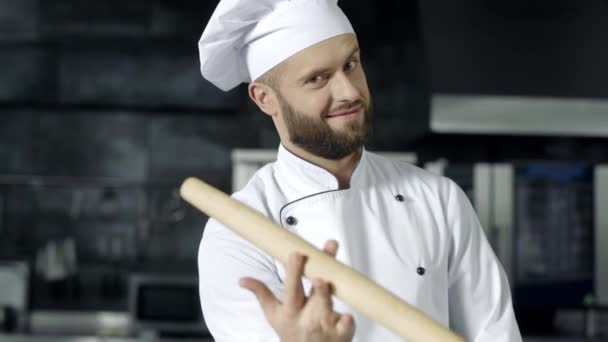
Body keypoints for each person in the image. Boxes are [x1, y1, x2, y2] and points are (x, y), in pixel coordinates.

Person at [196, 0, 523, 341]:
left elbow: (496, 333)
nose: (349, 91)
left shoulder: (438, 200)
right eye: (317, 79)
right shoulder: (237, 232)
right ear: (265, 98)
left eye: (350, 64)